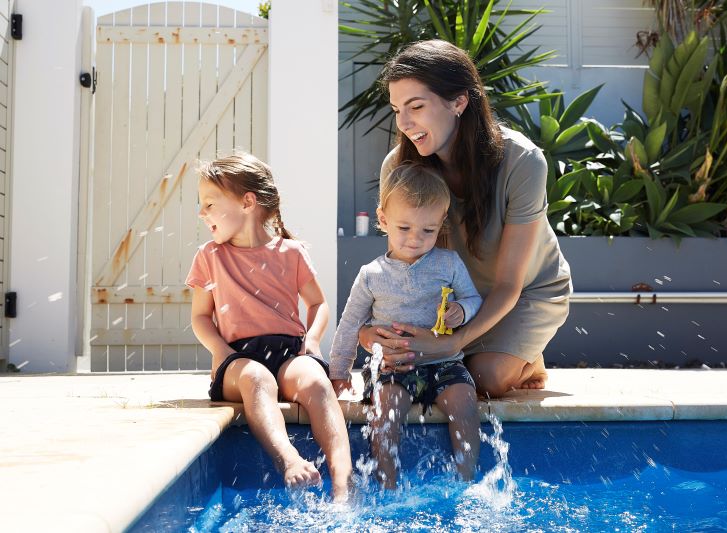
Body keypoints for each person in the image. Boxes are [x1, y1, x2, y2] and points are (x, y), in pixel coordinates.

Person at [360, 39, 572, 398]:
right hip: (456, 299)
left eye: (416, 106)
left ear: (459, 101)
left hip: (525, 292)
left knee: (484, 380)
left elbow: (509, 285)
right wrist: (378, 332)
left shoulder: (523, 161)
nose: (405, 122)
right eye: (397, 109)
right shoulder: (397, 168)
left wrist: (448, 345)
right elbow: (406, 267)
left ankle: (527, 356)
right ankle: (496, 349)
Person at [186, 153, 352, 501]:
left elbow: (318, 304)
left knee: (317, 382)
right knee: (258, 379)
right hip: (238, 360)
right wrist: (221, 352)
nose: (202, 213)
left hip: (289, 352)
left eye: (210, 203)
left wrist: (313, 340)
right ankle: (289, 459)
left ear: (247, 202)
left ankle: (342, 478)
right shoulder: (209, 257)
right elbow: (200, 317)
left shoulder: (290, 253)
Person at [329, 162, 483, 489]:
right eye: (404, 228)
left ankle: (466, 481)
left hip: (444, 362)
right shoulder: (371, 274)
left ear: (441, 223)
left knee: (466, 405)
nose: (415, 239)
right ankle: (389, 485)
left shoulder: (449, 263)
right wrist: (339, 373)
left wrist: (461, 310)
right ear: (383, 220)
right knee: (386, 413)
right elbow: (349, 324)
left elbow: (474, 299)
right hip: (394, 367)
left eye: (427, 230)